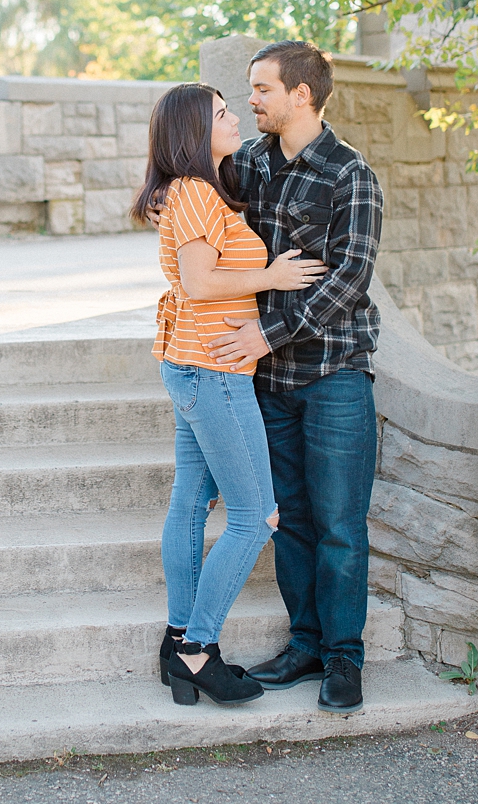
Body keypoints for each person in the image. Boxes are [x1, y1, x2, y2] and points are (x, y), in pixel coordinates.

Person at [131, 83, 329, 707]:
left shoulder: (198, 190)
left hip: (198, 364)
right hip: (212, 369)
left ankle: (175, 641)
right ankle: (197, 649)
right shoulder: (192, 192)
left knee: (191, 503)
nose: (235, 116)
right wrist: (271, 275)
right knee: (256, 516)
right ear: (193, 130)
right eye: (221, 112)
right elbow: (197, 280)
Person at [207, 41, 383, 715]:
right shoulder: (247, 163)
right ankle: (304, 644)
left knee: (340, 522)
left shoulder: (350, 175)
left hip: (335, 372)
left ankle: (344, 659)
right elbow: (200, 210)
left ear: (301, 94)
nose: (250, 99)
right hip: (268, 382)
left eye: (261, 89)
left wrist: (265, 332)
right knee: (293, 523)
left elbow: (349, 279)